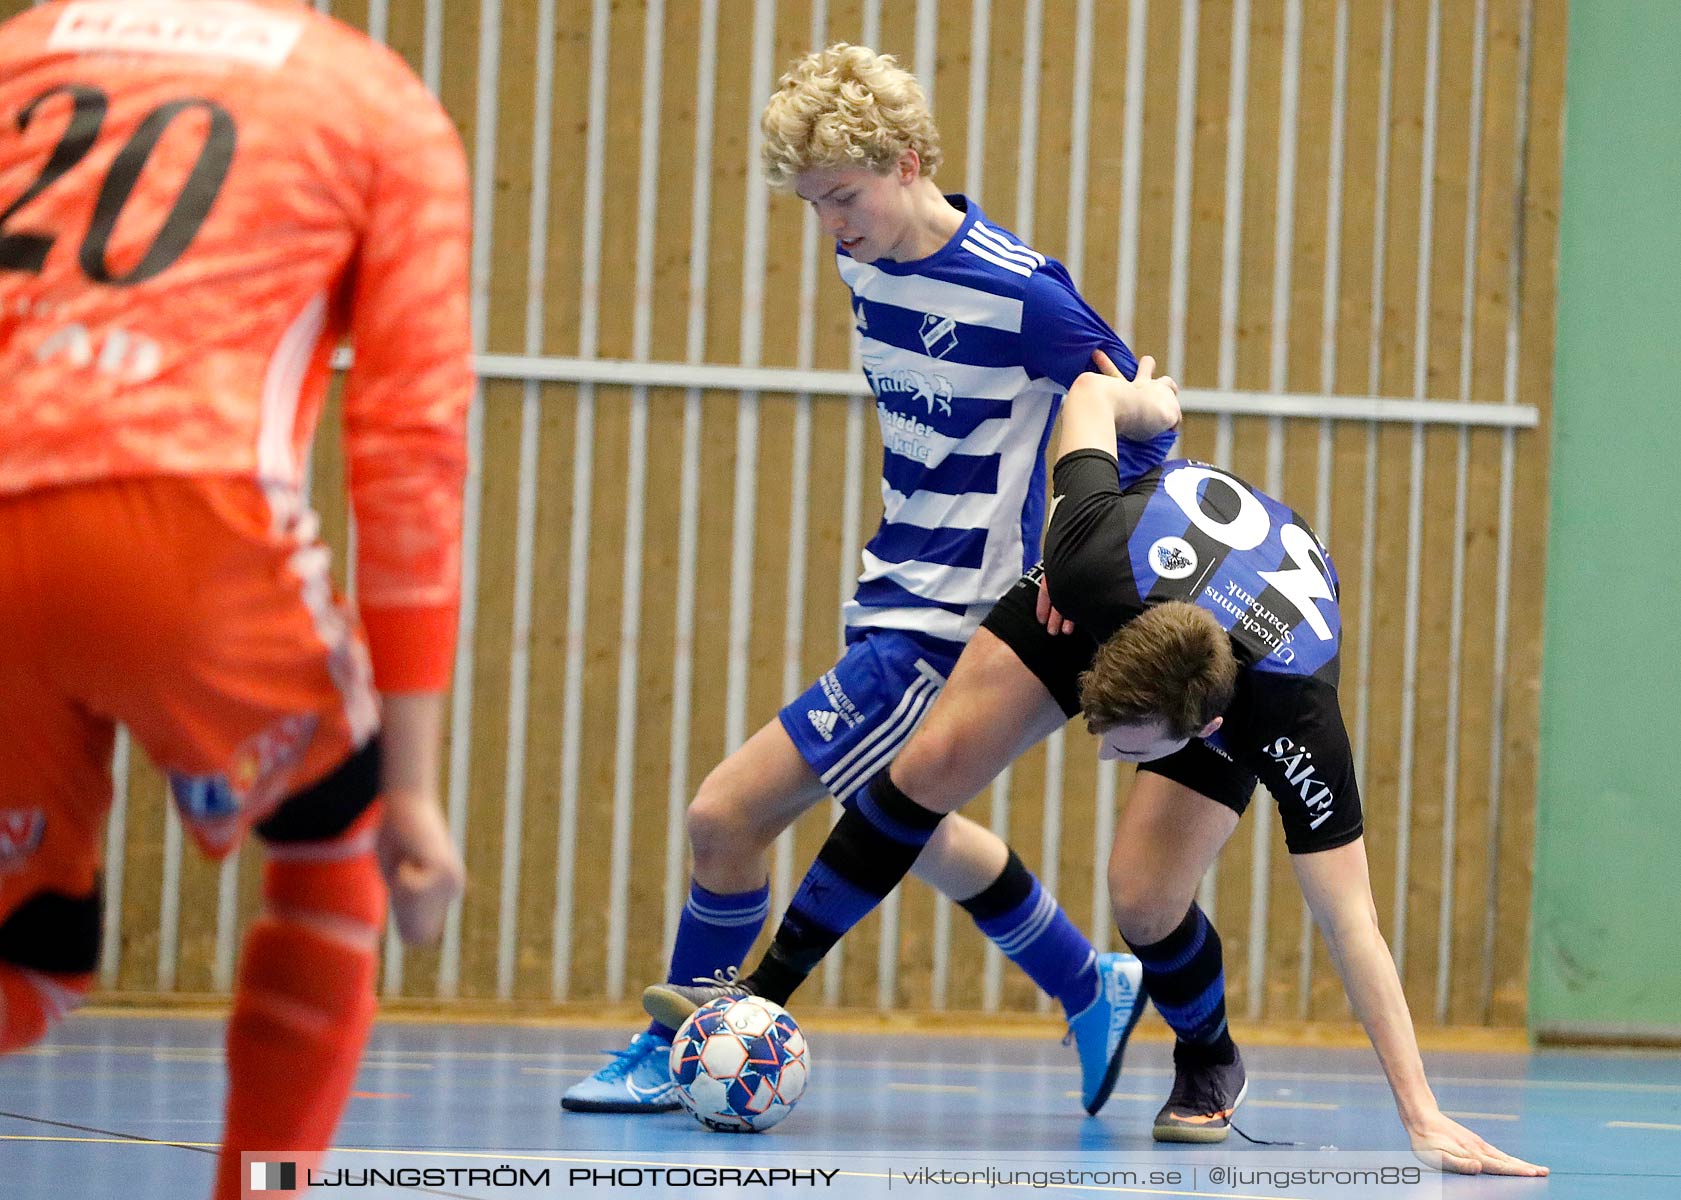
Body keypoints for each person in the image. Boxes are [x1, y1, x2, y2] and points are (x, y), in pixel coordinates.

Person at [644, 353, 1549, 1176]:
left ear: (1205, 728)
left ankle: (1207, 1056)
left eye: (1128, 747)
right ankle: (761, 996)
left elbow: (1352, 924)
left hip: (1247, 631)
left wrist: (1420, 1111)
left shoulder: (1293, 720)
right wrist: (1145, 404)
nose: (1104, 756)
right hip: (1119, 576)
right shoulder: (1084, 562)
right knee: (929, 766)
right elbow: (1084, 396)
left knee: (1143, 898)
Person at [564, 43, 1156, 1117]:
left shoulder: (1022, 293)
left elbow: (1129, 417)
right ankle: (1088, 979)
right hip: (890, 588)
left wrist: (1068, 559)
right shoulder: (864, 259)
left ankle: (679, 1039)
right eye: (812, 205)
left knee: (724, 818)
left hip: (946, 620)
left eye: (844, 196)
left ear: (909, 160)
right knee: (906, 823)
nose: (832, 224)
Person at [0, 3, 470, 1197]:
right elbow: (412, 440)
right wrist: (410, 786)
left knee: (31, 962)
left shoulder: (26, 47)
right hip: (184, 531)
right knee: (336, 856)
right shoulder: (375, 103)